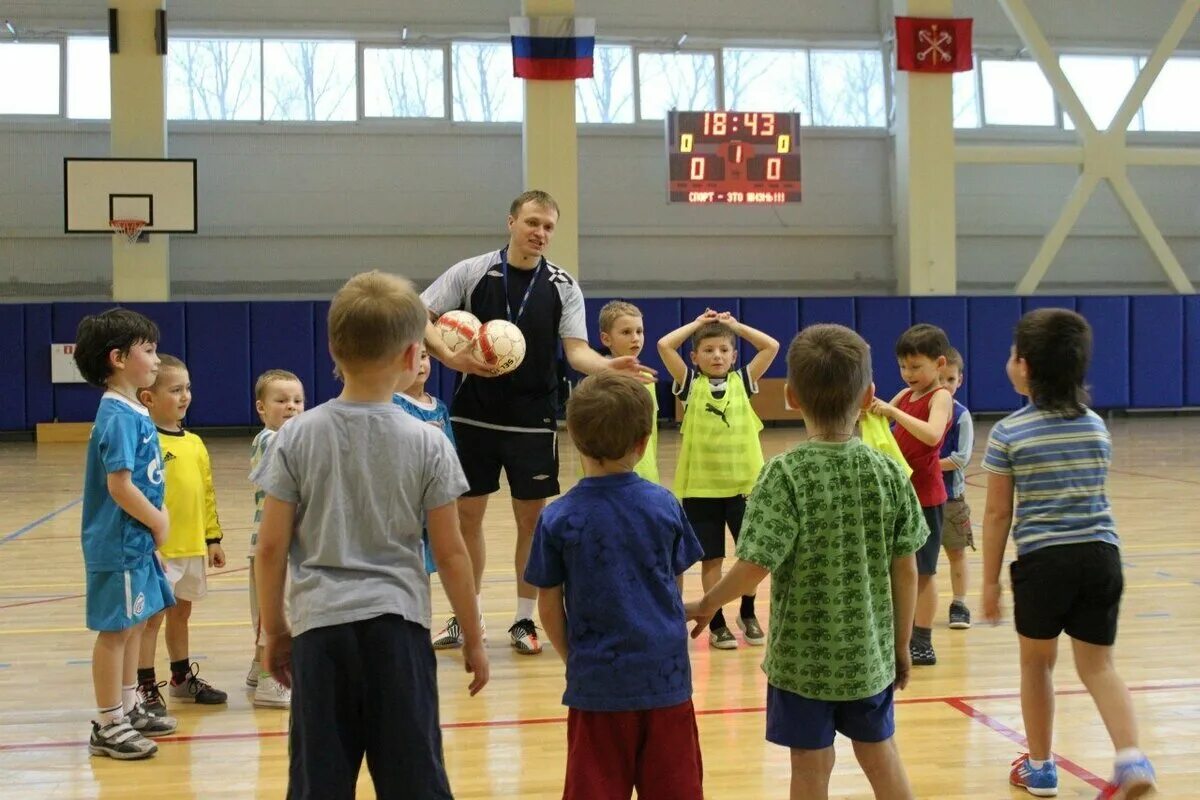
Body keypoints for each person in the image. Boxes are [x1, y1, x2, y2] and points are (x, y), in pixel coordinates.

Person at [252, 271, 488, 799]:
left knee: (319, 783)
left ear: (334, 350)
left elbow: (269, 548)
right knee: (415, 781)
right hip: (399, 634)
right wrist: (473, 636)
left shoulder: (294, 436)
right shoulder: (429, 442)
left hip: (319, 633)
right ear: (413, 357)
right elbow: (450, 553)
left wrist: (275, 630)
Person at [685, 324, 925, 800]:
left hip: (802, 663)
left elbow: (754, 564)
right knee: (882, 758)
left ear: (791, 396)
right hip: (868, 657)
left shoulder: (784, 473)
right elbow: (907, 567)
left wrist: (707, 603)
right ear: (869, 396)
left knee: (810, 770)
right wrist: (901, 644)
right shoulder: (889, 472)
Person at [420, 190, 652, 655]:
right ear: (511, 222)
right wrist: (449, 356)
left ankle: (524, 621)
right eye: (532, 222)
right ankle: (467, 617)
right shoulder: (472, 271)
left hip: (532, 417)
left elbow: (576, 351)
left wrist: (609, 365)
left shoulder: (564, 285)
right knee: (468, 518)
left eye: (548, 226)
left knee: (533, 522)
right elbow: (417, 311)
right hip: (474, 415)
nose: (540, 233)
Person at [981, 309, 1156, 799]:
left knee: (1037, 664)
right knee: (1099, 666)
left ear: (1026, 367)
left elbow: (997, 516)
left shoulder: (1009, 433)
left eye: (1014, 354)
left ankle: (1040, 767)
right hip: (1102, 558)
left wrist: (990, 581)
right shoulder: (1096, 426)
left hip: (1044, 563)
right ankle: (1132, 758)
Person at [526, 372, 705, 800]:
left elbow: (548, 605)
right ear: (643, 443)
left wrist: (575, 657)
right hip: (665, 678)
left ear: (575, 440)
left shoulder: (557, 517)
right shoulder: (664, 504)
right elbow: (672, 583)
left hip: (596, 684)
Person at [72, 308, 178, 760]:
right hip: (118, 542)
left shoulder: (133, 407)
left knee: (135, 620)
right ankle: (107, 721)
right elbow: (119, 485)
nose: (156, 360)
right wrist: (157, 519)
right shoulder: (116, 414)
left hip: (134, 542)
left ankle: (130, 705)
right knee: (115, 630)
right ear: (118, 358)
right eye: (148, 351)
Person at [657, 309, 779, 650]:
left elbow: (770, 347)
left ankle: (748, 612)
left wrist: (735, 326)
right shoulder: (689, 386)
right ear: (695, 357)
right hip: (701, 489)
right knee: (712, 559)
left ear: (734, 356)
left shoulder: (743, 381)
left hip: (745, 488)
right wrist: (698, 325)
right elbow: (665, 345)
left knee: (752, 556)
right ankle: (717, 620)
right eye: (708, 350)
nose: (717, 355)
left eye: (724, 350)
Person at [134, 354, 229, 715]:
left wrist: (212, 538)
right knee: (152, 619)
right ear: (149, 398)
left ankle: (180, 678)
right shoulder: (145, 440)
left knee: (181, 614)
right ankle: (144, 685)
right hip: (159, 549)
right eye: (175, 390)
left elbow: (205, 493)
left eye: (187, 388)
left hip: (191, 547)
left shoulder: (195, 442)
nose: (185, 396)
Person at [870, 323, 952, 666]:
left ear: (940, 364)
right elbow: (879, 423)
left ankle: (923, 638)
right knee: (899, 569)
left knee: (925, 572)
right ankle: (899, 633)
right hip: (899, 498)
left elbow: (932, 436)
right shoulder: (904, 396)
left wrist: (891, 412)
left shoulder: (941, 397)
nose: (908, 374)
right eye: (904, 367)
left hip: (927, 497)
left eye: (916, 367)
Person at [246, 368, 305, 708]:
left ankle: (258, 669)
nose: (292, 407)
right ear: (261, 408)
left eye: (298, 400)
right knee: (278, 612)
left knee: (274, 610)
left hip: (281, 543)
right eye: (281, 400)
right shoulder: (273, 440)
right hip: (273, 544)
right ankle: (273, 683)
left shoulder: (283, 439)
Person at [393, 344, 453, 576]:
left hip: (432, 500)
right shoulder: (391, 405)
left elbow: (450, 453)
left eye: (425, 357)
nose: (420, 364)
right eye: (411, 358)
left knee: (423, 569)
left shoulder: (440, 407)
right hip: (404, 501)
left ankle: (422, 613)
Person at [597, 300, 659, 483]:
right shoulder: (599, 380)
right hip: (608, 478)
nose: (635, 338)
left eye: (639, 331)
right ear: (606, 338)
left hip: (645, 475)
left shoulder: (647, 377)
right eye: (626, 332)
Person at [938, 348, 974, 630]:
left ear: (959, 381)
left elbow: (961, 458)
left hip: (951, 499)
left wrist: (928, 465)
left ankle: (959, 603)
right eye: (939, 380)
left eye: (950, 379)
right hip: (920, 498)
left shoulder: (961, 417)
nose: (944, 386)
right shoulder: (916, 411)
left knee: (956, 552)